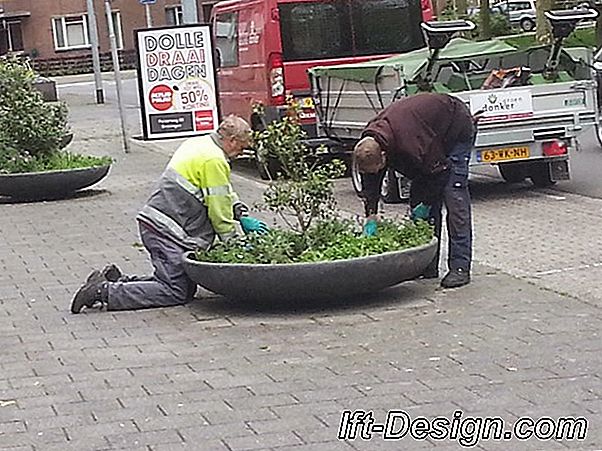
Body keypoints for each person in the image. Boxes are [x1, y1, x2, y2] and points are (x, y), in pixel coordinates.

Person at [71, 115, 269, 313]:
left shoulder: (200, 144)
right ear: (232, 140)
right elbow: (219, 213)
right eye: (241, 147)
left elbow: (221, 191)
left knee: (177, 284)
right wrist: (235, 246)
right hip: (166, 231)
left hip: (158, 224)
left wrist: (241, 213)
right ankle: (103, 292)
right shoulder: (213, 160)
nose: (240, 152)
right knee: (175, 291)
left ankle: (117, 281)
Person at [353, 93, 477, 289]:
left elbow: (438, 170)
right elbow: (371, 178)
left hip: (456, 128)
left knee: (454, 199)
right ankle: (428, 265)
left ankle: (460, 267)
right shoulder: (370, 143)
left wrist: (425, 204)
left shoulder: (409, 142)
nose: (377, 173)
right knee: (421, 203)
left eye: (379, 168)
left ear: (384, 156)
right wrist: (371, 214)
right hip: (430, 142)